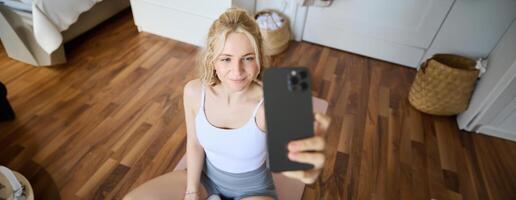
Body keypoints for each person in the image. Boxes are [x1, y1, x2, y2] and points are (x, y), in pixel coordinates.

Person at [124, 8, 330, 200]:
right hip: (205, 178)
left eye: (248, 58)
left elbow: (296, 157)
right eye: (226, 59)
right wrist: (192, 191)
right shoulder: (194, 92)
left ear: (259, 59)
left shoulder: (269, 105)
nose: (237, 70)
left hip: (253, 189)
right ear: (212, 60)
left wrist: (308, 169)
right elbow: (195, 144)